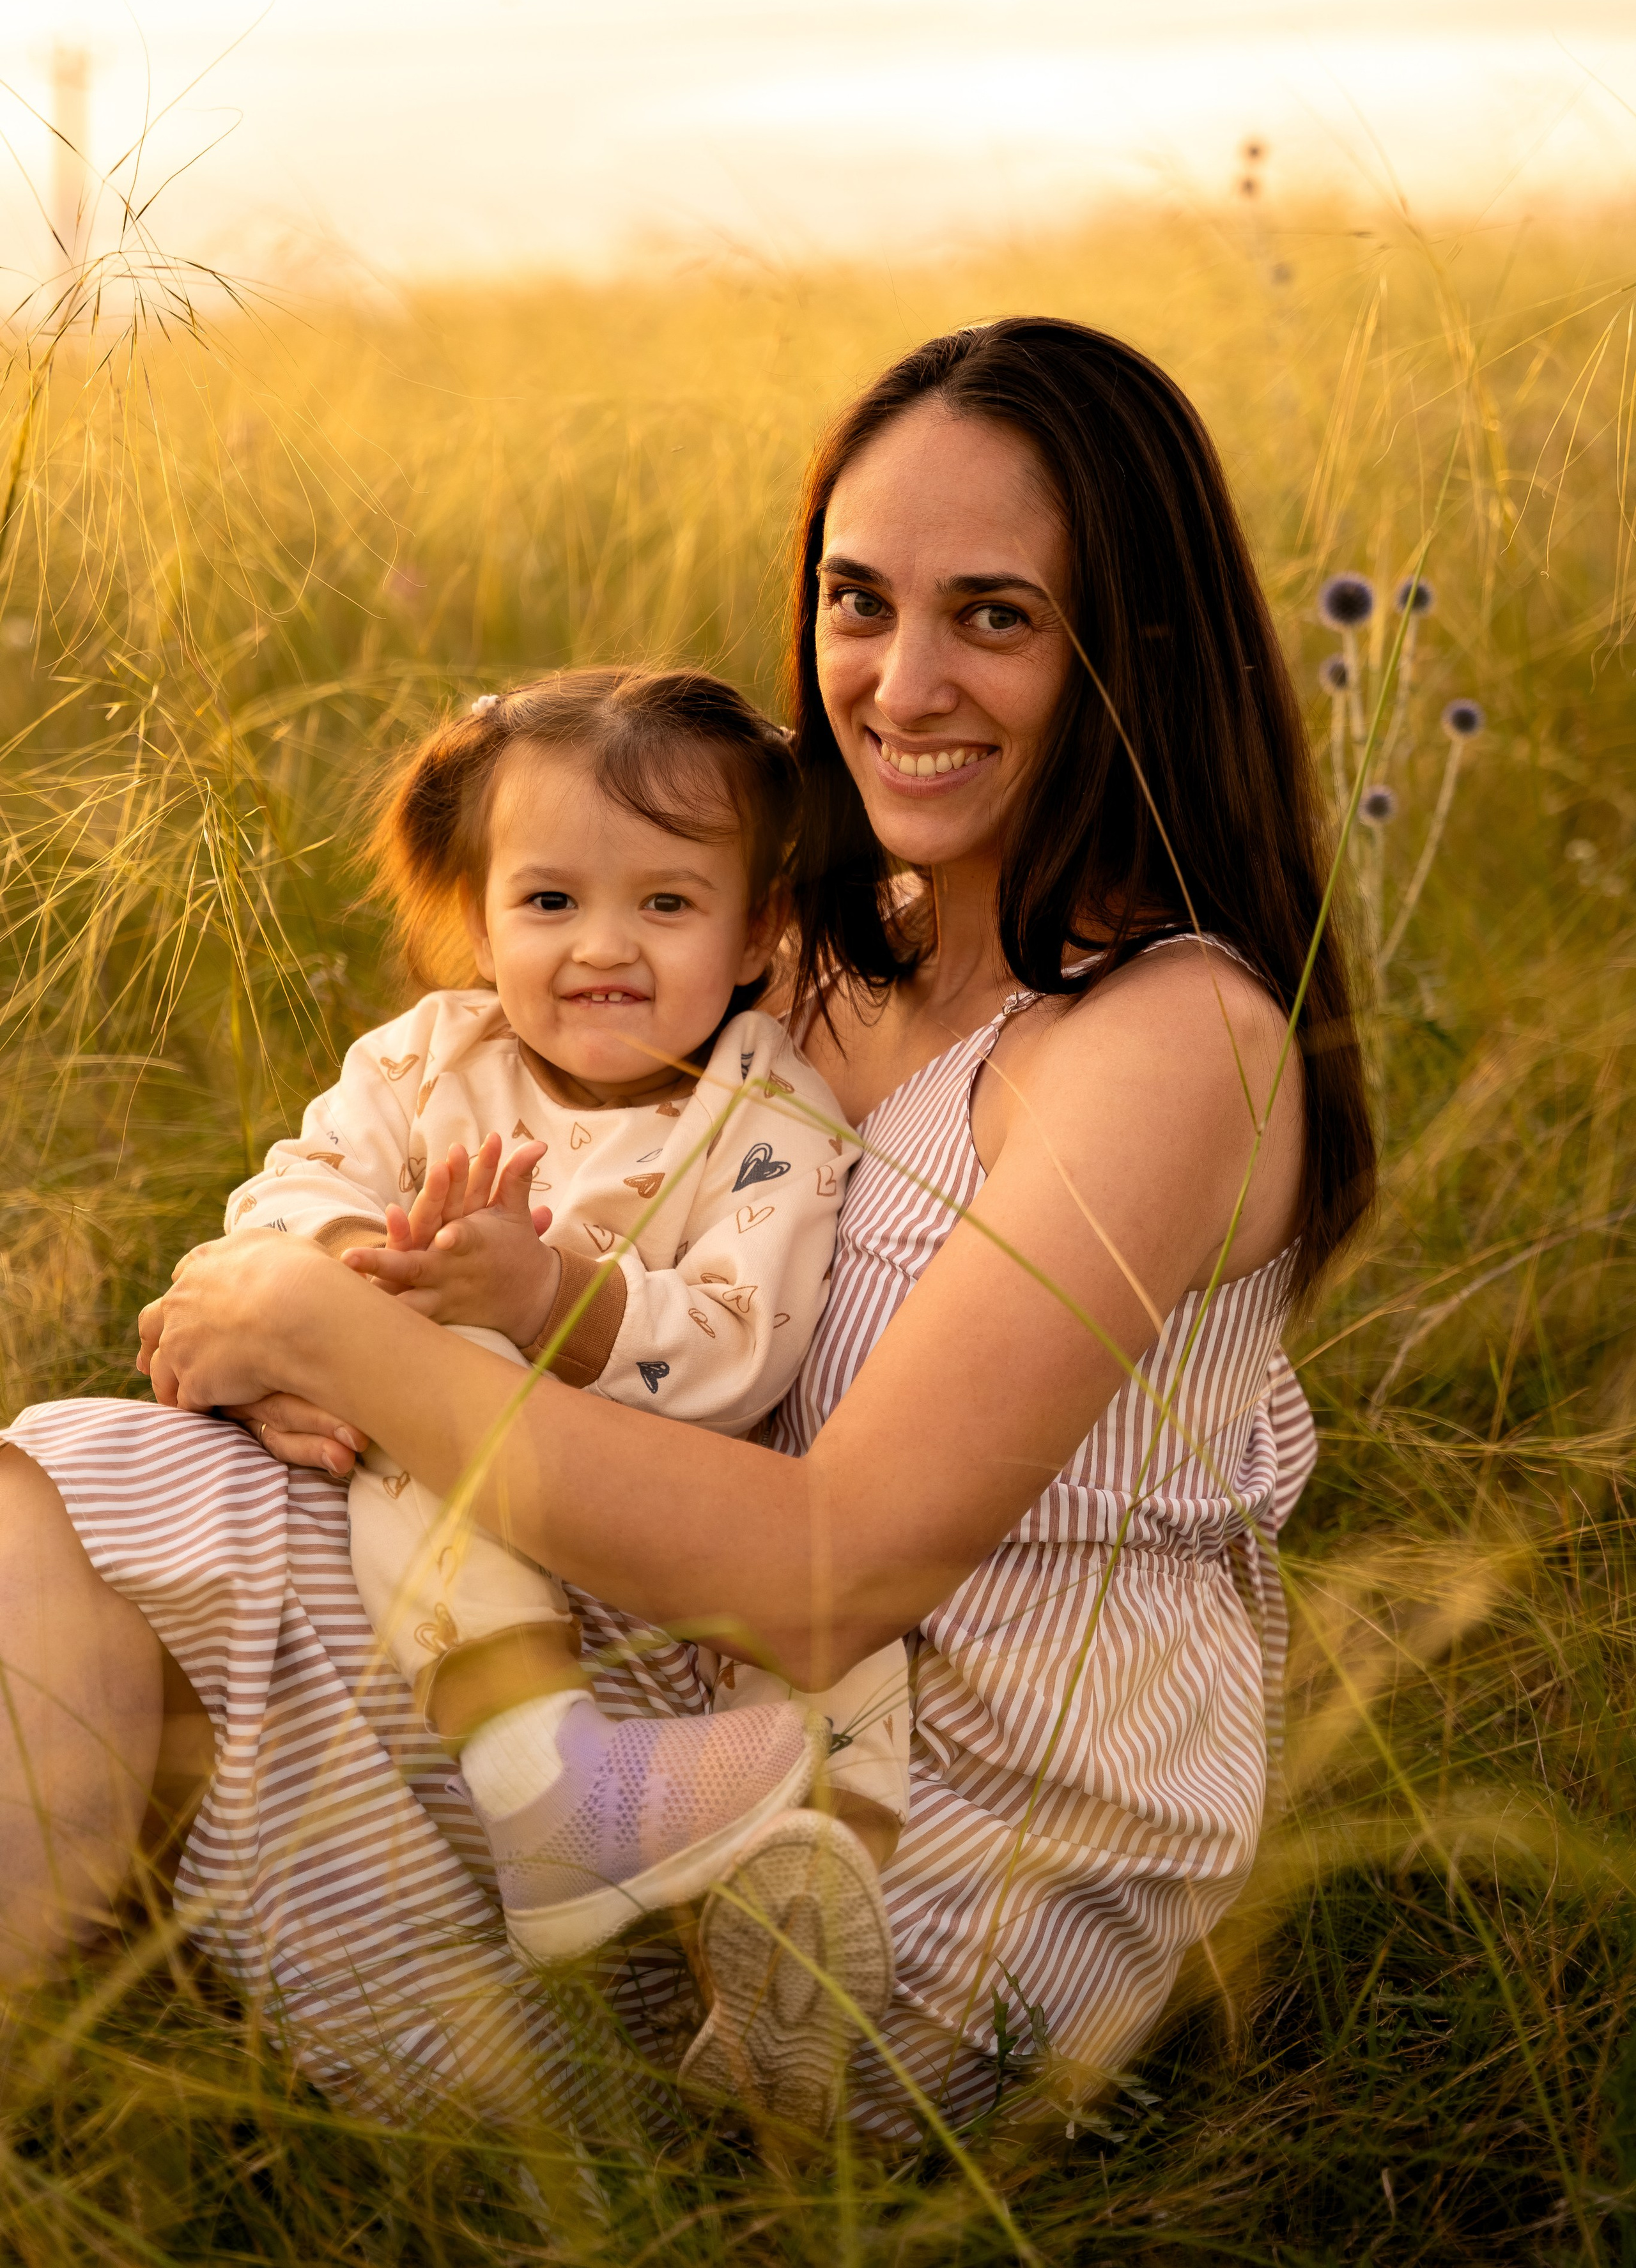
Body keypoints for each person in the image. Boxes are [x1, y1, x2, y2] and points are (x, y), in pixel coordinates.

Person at [0, 315, 1375, 2146]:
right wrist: (276, 1300)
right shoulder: (804, 943)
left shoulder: (1167, 1042)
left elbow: (832, 1568)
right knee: (75, 1502)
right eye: (859, 600)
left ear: (1130, 648)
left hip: (946, 1836)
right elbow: (458, 1131)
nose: (898, 681)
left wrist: (347, 1349)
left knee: (113, 1556)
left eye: (995, 615)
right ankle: (72, 2099)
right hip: (661, 1699)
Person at [217, 664, 907, 1972]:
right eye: (547, 901)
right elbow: (283, 1192)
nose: (600, 945)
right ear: (478, 924)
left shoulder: (772, 1113)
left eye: (664, 903)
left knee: (852, 1650)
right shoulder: (423, 1064)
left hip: (669, 1542)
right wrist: (377, 1262)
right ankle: (545, 1781)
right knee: (449, 1371)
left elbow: (740, 1349)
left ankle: (804, 1916)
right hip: (468, 1583)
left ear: (756, 931)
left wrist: (553, 1300)